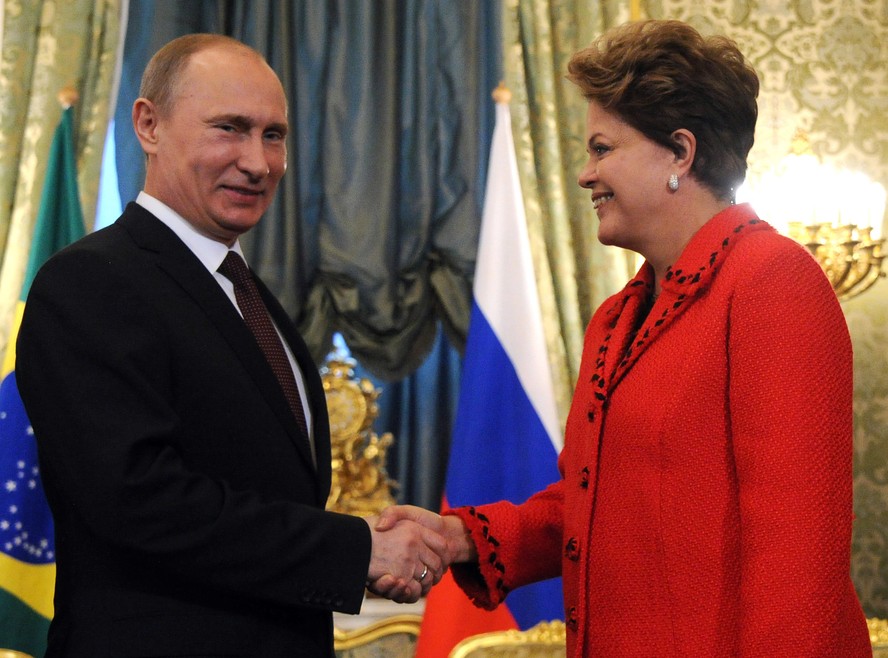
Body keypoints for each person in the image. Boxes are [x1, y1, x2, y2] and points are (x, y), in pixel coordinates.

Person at [378, 19, 873, 657]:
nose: (585, 174)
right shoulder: (618, 316)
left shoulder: (773, 281)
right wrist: (459, 537)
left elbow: (797, 554)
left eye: (603, 149)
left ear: (680, 153)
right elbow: (591, 506)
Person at [16, 34, 446, 658]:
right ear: (148, 125)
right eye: (230, 129)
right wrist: (355, 551)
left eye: (274, 135)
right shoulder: (89, 282)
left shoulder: (242, 292)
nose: (258, 162)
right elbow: (139, 499)